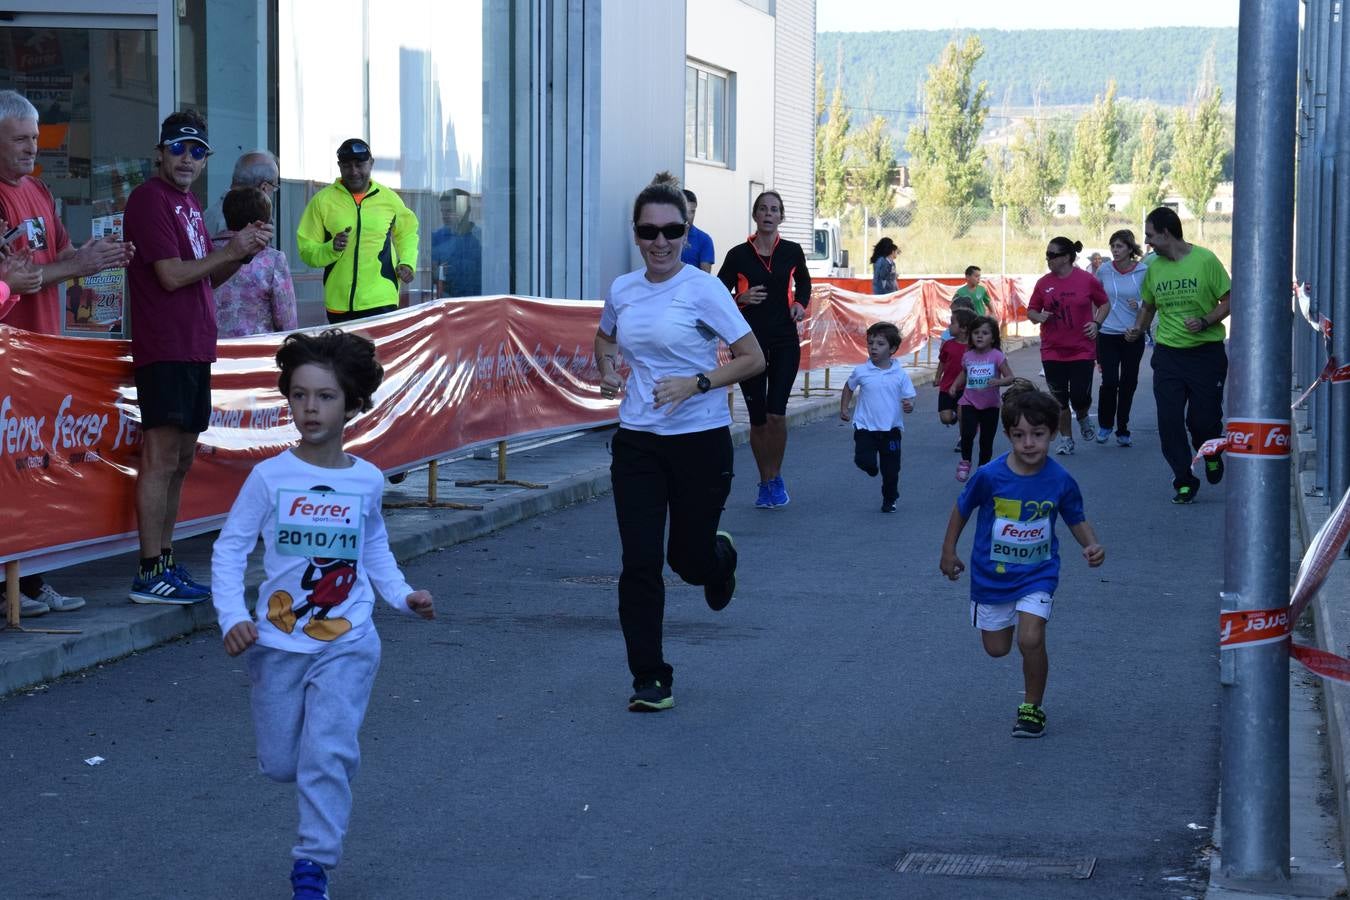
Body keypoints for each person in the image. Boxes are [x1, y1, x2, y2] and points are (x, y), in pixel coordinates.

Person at [210, 329, 435, 900]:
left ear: (354, 403)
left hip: (348, 640)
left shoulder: (365, 480)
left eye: (326, 396)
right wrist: (232, 616)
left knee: (324, 753)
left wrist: (403, 596)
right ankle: (323, 764)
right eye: (300, 395)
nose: (310, 408)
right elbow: (230, 548)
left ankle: (313, 865)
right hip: (277, 643)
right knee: (283, 764)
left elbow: (374, 548)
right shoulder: (269, 478)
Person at [595, 172, 765, 712]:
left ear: (687, 232)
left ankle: (718, 558)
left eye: (672, 231)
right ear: (636, 233)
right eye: (649, 232)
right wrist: (606, 371)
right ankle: (650, 677)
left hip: (699, 439)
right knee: (640, 562)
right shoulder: (623, 289)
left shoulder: (703, 288)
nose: (661, 243)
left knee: (687, 561)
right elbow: (605, 336)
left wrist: (696, 383)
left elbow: (753, 357)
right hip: (639, 442)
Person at [123, 110, 274, 604]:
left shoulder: (187, 203)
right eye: (179, 148)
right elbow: (170, 275)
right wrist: (231, 252)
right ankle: (149, 569)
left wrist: (242, 253)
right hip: (165, 346)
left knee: (182, 458)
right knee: (162, 457)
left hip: (192, 345)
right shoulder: (150, 199)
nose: (188, 159)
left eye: (198, 151)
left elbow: (205, 278)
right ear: (161, 152)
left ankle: (164, 559)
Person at [0, 89, 137, 614]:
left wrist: (96, 254)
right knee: (13, 470)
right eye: (20, 139)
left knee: (37, 467)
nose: (32, 148)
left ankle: (32, 579)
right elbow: (19, 279)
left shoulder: (37, 190)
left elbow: (57, 257)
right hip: (11, 354)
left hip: (45, 351)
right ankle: (11, 585)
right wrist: (73, 268)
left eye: (35, 138)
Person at [939, 388, 1105, 738]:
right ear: (1008, 436)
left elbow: (1075, 516)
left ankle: (1032, 707)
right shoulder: (990, 475)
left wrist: (1091, 544)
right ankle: (1015, 622)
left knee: (1030, 639)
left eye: (1038, 434)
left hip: (1038, 574)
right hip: (991, 577)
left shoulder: (1059, 479)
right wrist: (948, 550)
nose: (1029, 443)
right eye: (1019, 436)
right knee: (997, 649)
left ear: (1053, 433)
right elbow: (962, 509)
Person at [1125, 206, 1231, 504]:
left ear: (1166, 233)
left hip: (1205, 354)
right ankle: (1184, 479)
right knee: (1169, 421)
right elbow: (1148, 305)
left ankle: (1210, 449)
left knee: (1202, 421)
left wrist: (1207, 320)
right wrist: (1138, 329)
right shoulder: (1154, 266)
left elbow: (1229, 298)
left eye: (1149, 235)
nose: (1146, 242)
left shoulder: (1205, 260)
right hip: (1168, 354)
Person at [716, 189, 810, 508]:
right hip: (747, 344)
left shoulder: (793, 251)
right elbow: (716, 294)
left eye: (774, 209)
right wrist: (738, 300)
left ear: (781, 217)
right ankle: (765, 481)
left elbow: (805, 285)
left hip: (784, 339)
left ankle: (776, 475)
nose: (768, 214)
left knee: (776, 414)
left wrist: (799, 304)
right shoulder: (738, 254)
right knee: (757, 419)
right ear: (755, 216)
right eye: (763, 209)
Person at [296, 138, 418, 323]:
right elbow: (306, 250)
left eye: (359, 165)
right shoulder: (322, 201)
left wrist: (408, 262)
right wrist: (331, 248)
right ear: (339, 166)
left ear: (371, 163)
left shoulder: (390, 199)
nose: (353, 172)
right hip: (339, 303)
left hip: (381, 300)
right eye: (346, 166)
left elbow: (408, 233)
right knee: (346, 353)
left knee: (378, 353)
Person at [1026, 237, 1110, 456]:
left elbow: (1104, 303)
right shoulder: (1043, 283)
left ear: (1066, 257)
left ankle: (1082, 416)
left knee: (1080, 397)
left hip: (1082, 349)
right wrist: (1039, 316)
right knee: (1059, 400)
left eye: (1052, 255)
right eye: (1047, 255)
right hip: (1053, 350)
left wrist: (1096, 323)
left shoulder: (1086, 280)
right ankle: (1066, 439)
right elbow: (1031, 311)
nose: (1048, 259)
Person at [840, 321, 916, 512]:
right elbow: (849, 387)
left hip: (891, 430)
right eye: (871, 343)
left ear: (893, 349)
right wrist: (844, 409)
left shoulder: (900, 374)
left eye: (880, 344)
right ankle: (869, 466)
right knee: (864, 460)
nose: (873, 347)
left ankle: (890, 499)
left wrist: (909, 405)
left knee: (891, 471)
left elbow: (909, 397)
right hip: (865, 426)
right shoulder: (861, 371)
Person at [213, 186, 298, 337]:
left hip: (209, 349)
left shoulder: (205, 251)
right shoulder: (273, 259)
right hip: (257, 352)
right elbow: (286, 319)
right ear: (262, 222)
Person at [1094, 229, 1150, 447]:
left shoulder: (1144, 270)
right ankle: (1105, 425)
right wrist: (1094, 321)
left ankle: (1122, 428)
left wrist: (1140, 311)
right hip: (1107, 333)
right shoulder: (1104, 270)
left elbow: (1150, 302)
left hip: (1132, 334)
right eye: (1112, 246)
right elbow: (1096, 297)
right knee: (1109, 381)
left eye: (1119, 246)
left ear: (1130, 248)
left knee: (1128, 382)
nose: (1115, 251)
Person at [948, 315, 1015, 482]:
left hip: (990, 405)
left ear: (993, 338)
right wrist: (955, 385)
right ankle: (965, 461)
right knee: (967, 433)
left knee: (986, 440)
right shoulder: (968, 356)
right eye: (976, 332)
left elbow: (1010, 378)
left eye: (985, 333)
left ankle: (983, 469)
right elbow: (964, 373)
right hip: (969, 401)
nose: (979, 336)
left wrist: (998, 381)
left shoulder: (997, 356)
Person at [202, 149, 280, 238]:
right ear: (264, 187)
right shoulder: (245, 225)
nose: (273, 192)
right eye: (274, 187)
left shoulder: (209, 215)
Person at [935, 307, 977, 448]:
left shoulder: (973, 347)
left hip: (966, 388)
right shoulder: (948, 345)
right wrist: (937, 377)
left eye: (952, 323)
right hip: (946, 386)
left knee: (962, 415)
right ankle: (952, 418)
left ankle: (962, 439)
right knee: (945, 418)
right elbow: (942, 362)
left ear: (964, 328)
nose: (949, 326)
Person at [430, 188, 482, 297]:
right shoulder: (437, 237)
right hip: (448, 303)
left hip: (478, 301)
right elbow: (432, 276)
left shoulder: (480, 238)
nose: (444, 215)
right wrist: (439, 273)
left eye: (449, 211)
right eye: (442, 211)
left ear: (466, 211)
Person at [680, 188, 715, 273]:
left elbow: (705, 276)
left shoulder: (704, 239)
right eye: (685, 211)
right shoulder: (666, 235)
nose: (689, 216)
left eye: (692, 211)